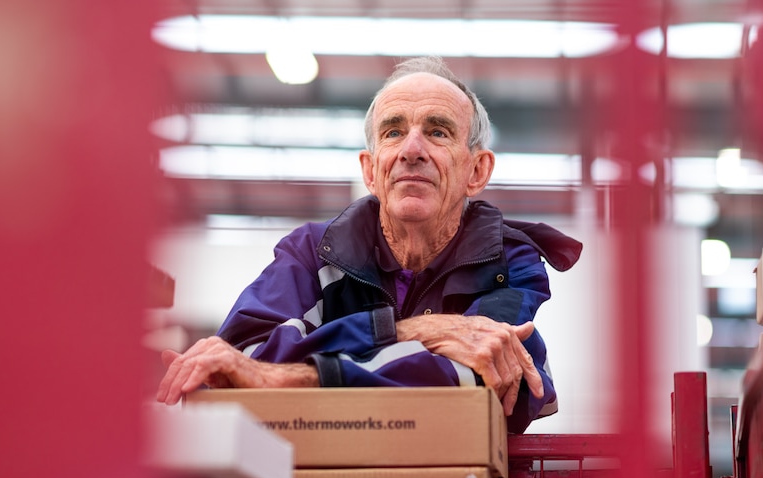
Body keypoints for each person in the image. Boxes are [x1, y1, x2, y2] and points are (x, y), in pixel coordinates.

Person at [156, 56, 582, 433]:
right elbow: (242, 356)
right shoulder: (313, 251)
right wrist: (411, 332)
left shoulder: (511, 261)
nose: (411, 150)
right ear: (371, 169)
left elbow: (477, 382)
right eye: (394, 132)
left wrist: (284, 378)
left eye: (437, 131)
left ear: (477, 170)